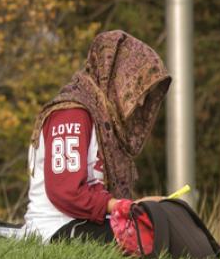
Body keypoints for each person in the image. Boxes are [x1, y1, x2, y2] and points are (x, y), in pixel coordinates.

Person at [19, 30, 172, 242]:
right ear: (117, 77)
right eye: (136, 90)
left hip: (86, 224)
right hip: (56, 229)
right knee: (153, 237)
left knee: (167, 220)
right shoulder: (70, 114)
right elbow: (67, 192)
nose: (139, 102)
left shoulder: (104, 120)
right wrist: (123, 207)